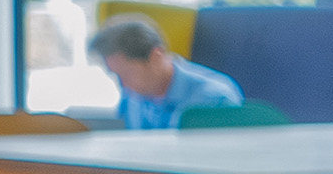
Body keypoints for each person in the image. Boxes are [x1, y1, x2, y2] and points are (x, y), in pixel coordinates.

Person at [90, 15, 242, 129]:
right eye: (116, 76)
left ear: (156, 57)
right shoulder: (132, 99)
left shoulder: (214, 99)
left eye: (127, 74)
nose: (123, 85)